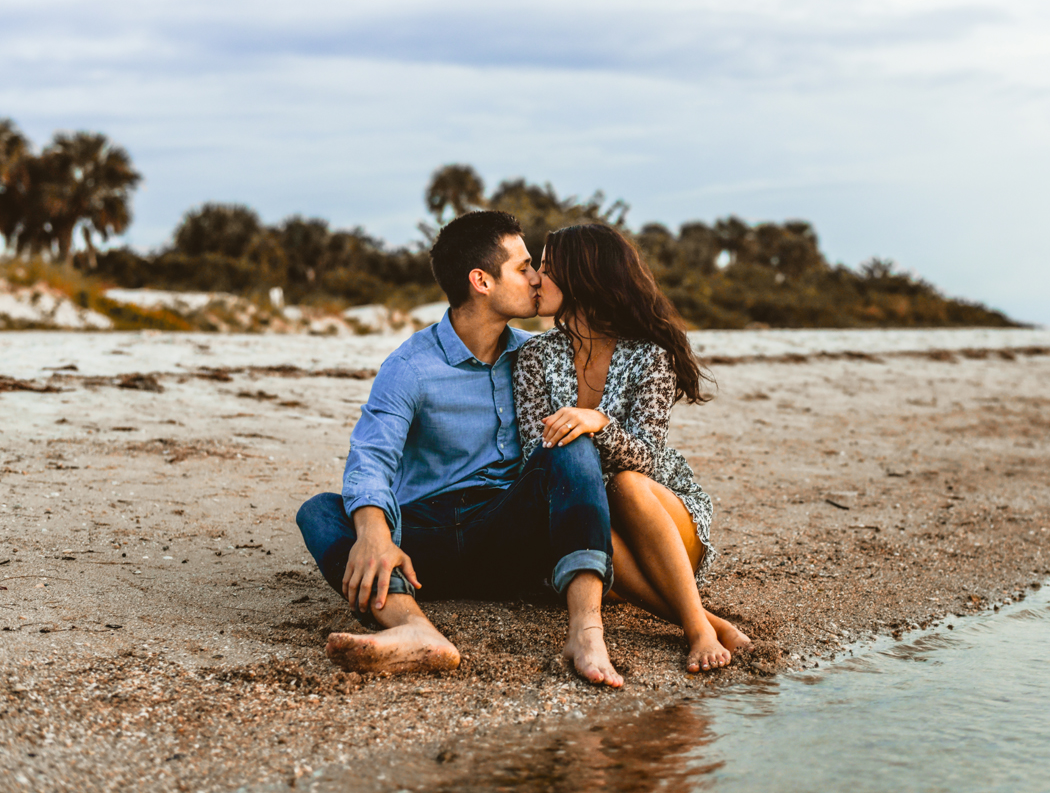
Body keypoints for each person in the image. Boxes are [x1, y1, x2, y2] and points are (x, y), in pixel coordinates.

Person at [295, 211, 623, 687]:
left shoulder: (536, 355)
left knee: (571, 445)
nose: (538, 279)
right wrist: (374, 533)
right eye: (524, 267)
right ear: (481, 281)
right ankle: (415, 629)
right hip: (425, 547)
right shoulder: (411, 366)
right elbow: (371, 457)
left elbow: (575, 465)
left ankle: (586, 631)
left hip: (510, 535)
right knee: (320, 513)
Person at [514, 223, 752, 674]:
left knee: (625, 483)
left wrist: (598, 423)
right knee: (590, 509)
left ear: (581, 276)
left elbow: (647, 456)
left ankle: (699, 631)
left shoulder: (649, 354)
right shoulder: (534, 356)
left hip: (659, 522)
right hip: (587, 530)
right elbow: (536, 452)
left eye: (545, 268)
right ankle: (703, 620)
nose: (534, 279)